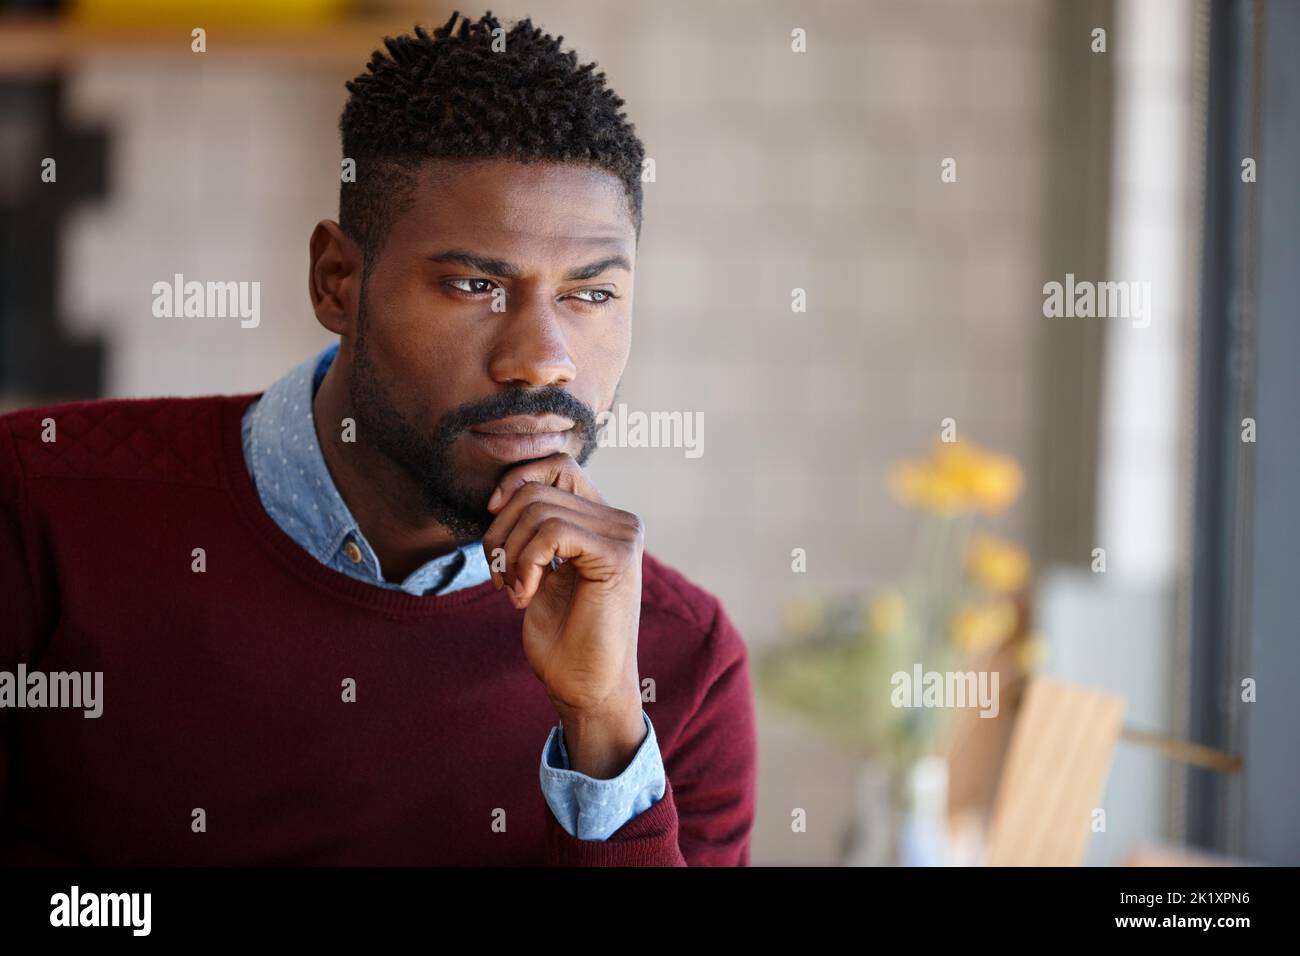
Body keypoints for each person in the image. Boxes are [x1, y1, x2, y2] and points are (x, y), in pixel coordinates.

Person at [0, 11, 756, 866]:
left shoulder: (679, 665)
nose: (541, 361)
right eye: (474, 284)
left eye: (590, 296)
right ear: (337, 282)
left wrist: (603, 722)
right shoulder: (38, 505)